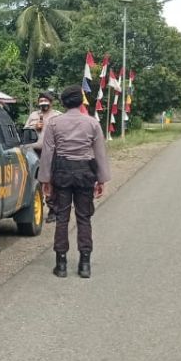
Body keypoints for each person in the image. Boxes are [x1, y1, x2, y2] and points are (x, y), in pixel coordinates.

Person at [37, 85, 111, 278]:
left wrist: (46, 179)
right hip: (85, 173)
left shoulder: (54, 123)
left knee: (62, 217)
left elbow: (47, 154)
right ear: (81, 101)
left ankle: (61, 265)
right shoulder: (92, 123)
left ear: (63, 102)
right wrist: (101, 179)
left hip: (62, 172)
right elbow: (100, 153)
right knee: (84, 218)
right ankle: (84, 265)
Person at [26, 92, 61, 222]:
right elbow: (26, 132)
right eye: (41, 101)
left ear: (51, 102)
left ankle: (53, 211)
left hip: (52, 153)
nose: (43, 104)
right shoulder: (34, 116)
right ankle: (37, 208)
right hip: (34, 153)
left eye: (46, 101)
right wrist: (35, 127)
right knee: (37, 181)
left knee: (51, 181)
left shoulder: (57, 116)